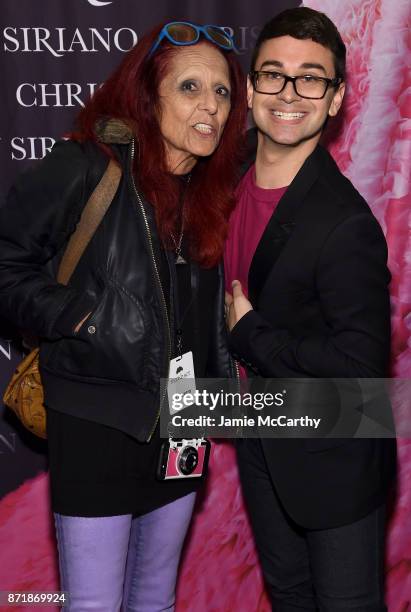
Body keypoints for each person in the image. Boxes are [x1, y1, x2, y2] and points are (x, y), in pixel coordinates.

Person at [0, 21, 246, 611]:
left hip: (182, 421)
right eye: (191, 87)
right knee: (95, 605)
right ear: (147, 93)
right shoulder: (87, 165)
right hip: (95, 414)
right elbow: (6, 261)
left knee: (155, 600)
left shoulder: (212, 193)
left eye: (222, 92)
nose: (210, 105)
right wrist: (79, 314)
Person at [225, 7, 396, 611]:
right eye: (273, 75)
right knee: (290, 597)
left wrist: (252, 336)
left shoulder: (344, 222)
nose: (289, 93)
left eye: (311, 78)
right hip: (260, 427)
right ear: (249, 89)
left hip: (337, 447)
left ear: (336, 97)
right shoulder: (228, 178)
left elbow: (361, 362)